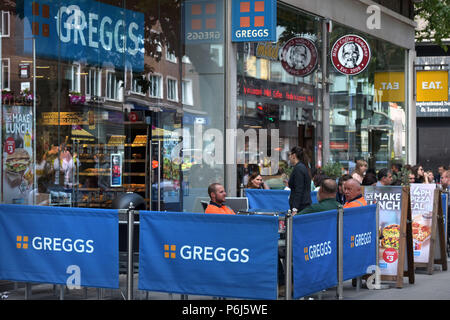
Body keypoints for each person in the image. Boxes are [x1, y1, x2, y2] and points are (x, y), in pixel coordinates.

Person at [288, 146, 312, 212]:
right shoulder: (301, 167)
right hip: (302, 204)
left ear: (294, 155)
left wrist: (295, 208)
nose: (289, 157)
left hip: (301, 206)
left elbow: (299, 189)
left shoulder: (298, 169)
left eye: (289, 155)